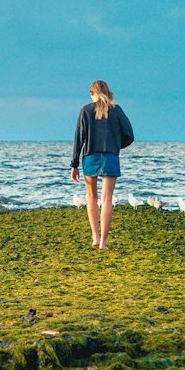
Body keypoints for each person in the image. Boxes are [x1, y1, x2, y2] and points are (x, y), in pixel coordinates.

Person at [70, 79, 134, 249]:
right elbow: (129, 135)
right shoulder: (116, 110)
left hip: (90, 156)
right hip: (110, 157)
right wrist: (114, 145)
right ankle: (104, 243)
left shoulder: (85, 110)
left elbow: (79, 138)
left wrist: (74, 164)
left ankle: (95, 237)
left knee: (91, 198)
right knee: (107, 199)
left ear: (93, 93)